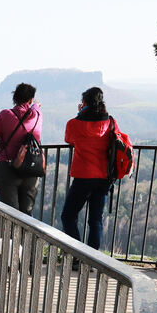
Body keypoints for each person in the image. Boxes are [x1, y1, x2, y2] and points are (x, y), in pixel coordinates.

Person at [61, 87, 115, 250]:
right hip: (105, 177)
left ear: (84, 104)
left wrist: (80, 115)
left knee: (68, 216)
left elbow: (69, 139)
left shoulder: (74, 123)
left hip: (84, 176)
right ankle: (93, 260)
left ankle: (78, 255)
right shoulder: (110, 121)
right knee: (95, 220)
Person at [0, 82, 42, 215]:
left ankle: (11, 236)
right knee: (27, 216)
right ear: (31, 99)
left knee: (10, 215)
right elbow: (35, 108)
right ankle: (25, 236)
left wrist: (3, 143)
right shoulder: (38, 115)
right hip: (31, 169)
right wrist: (35, 105)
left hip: (8, 168)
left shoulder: (5, 115)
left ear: (14, 98)